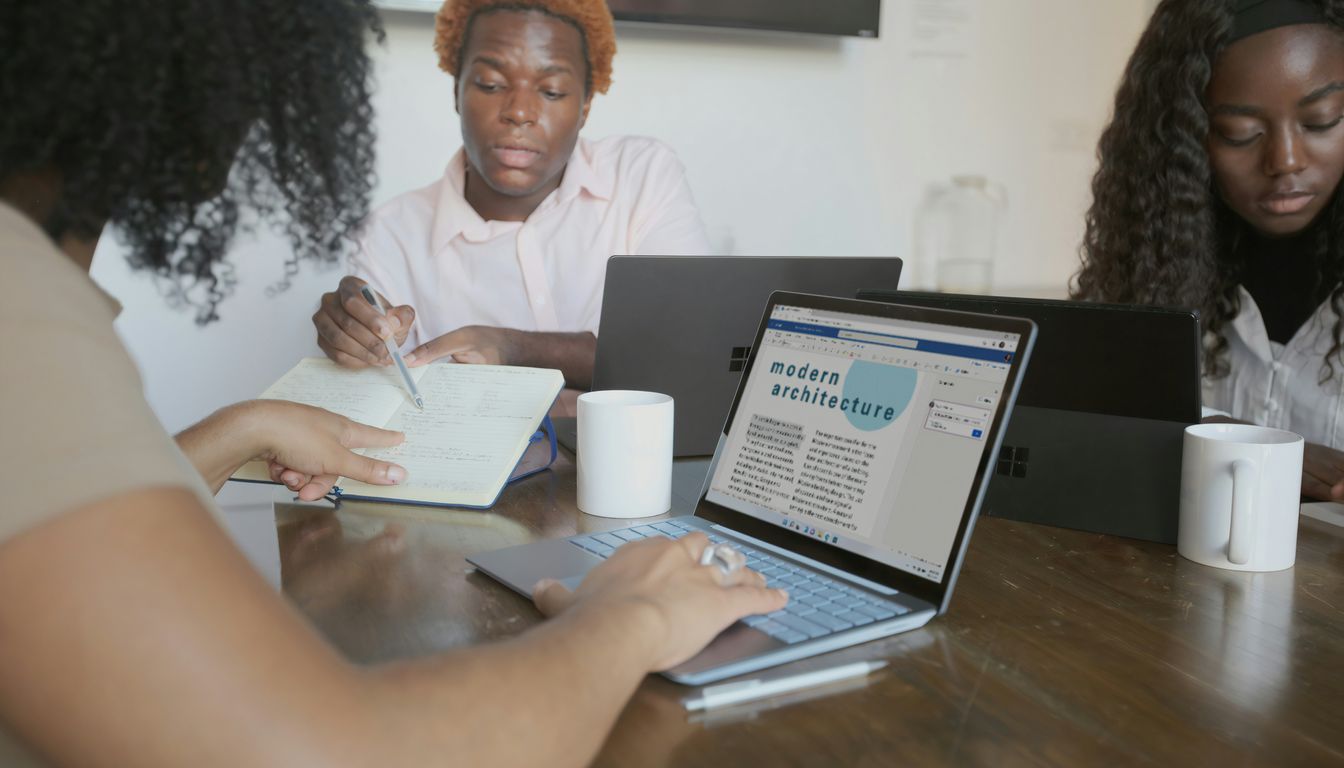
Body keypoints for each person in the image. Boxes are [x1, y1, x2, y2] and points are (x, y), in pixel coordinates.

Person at [0, 2, 783, 766]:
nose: (519, 113)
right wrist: (634, 618)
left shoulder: (29, 285)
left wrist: (247, 426)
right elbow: (333, 747)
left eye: (550, 89)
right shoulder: (20, 305)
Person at [312, 0, 711, 410]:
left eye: (552, 90)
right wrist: (355, 337)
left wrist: (512, 347)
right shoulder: (389, 236)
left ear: (586, 105)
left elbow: (686, 351)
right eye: (490, 83)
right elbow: (382, 404)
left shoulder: (640, 176)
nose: (519, 112)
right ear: (457, 91)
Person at [1073, 0, 1344, 512]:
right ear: (1183, 139)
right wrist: (1193, 434)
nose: (1286, 161)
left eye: (1321, 121)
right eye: (1240, 134)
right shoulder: (1151, 272)